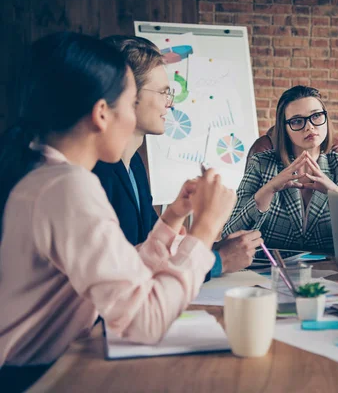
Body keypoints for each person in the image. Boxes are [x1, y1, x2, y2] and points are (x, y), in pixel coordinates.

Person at [0, 32, 236, 391]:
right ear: (101, 114)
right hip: (39, 379)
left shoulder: (47, 175)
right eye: (128, 104)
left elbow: (120, 270)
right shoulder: (66, 187)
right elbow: (146, 319)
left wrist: (172, 218)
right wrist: (205, 229)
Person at [92, 36, 262, 277]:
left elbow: (152, 250)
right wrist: (217, 259)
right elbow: (127, 274)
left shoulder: (135, 166)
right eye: (163, 92)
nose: (169, 104)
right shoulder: (95, 172)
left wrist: (211, 247)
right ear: (128, 95)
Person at [223, 85, 338, 253]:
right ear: (284, 128)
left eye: (316, 116)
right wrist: (269, 189)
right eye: (297, 121)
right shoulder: (261, 164)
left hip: (333, 273)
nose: (309, 127)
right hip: (270, 271)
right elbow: (229, 235)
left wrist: (336, 193)